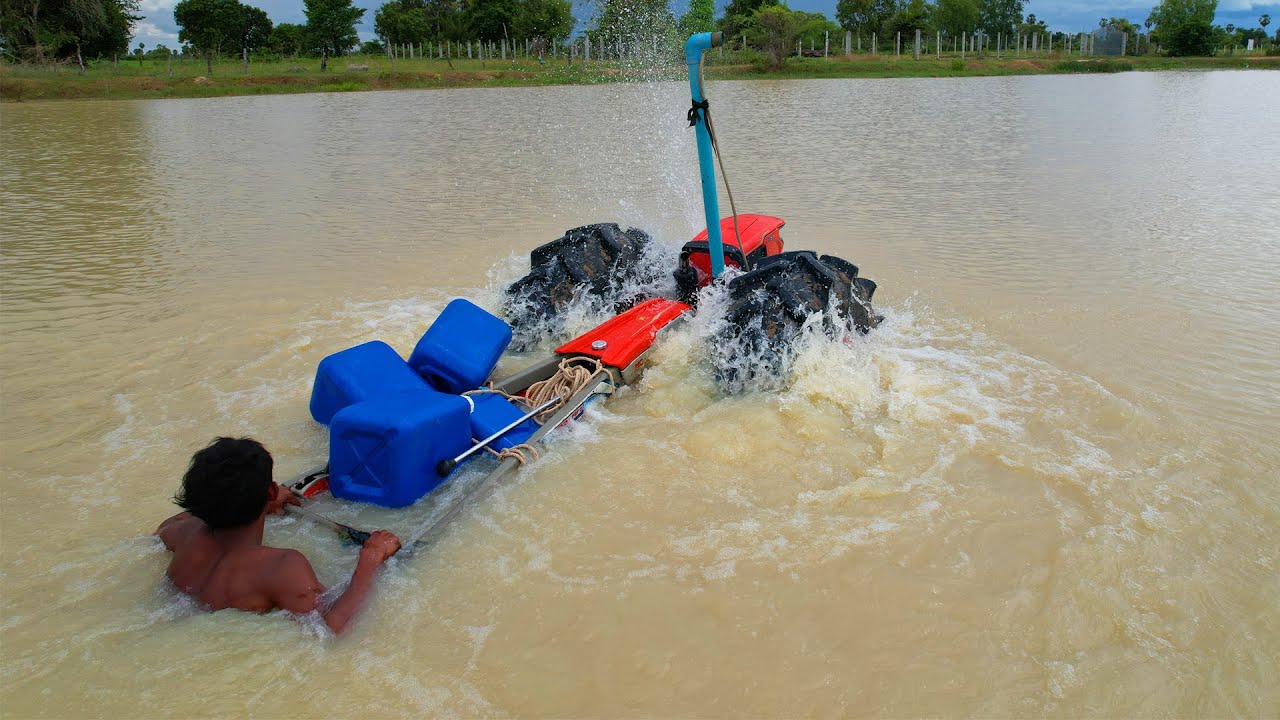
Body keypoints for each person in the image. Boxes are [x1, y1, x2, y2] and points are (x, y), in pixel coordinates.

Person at [157, 437, 400, 634]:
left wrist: (259, 503)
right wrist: (370, 559)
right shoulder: (281, 567)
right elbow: (329, 627)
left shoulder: (183, 531)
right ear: (272, 491)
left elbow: (164, 530)